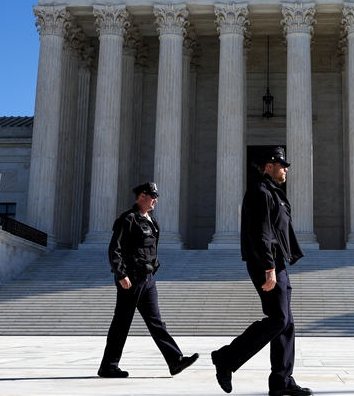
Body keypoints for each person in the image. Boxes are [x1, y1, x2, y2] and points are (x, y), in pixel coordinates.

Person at [211, 147, 311, 396]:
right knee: (278, 318)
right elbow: (261, 233)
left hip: (278, 264)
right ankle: (226, 357)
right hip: (266, 264)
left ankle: (282, 381)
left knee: (286, 323)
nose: (286, 169)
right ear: (269, 166)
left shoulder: (274, 193)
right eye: (282, 165)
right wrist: (269, 267)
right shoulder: (260, 192)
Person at [98, 182, 198, 378]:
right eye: (152, 196)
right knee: (122, 322)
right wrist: (121, 275)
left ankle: (174, 360)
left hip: (148, 278)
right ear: (142, 196)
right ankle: (108, 366)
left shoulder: (152, 222)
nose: (155, 200)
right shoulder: (128, 219)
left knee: (156, 321)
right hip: (132, 278)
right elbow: (114, 249)